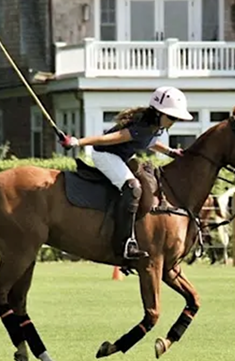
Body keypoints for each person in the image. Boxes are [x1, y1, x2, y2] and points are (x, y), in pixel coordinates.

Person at [59, 86, 193, 260]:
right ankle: (124, 243)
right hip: (105, 154)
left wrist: (170, 151)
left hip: (122, 156)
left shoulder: (154, 126)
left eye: (176, 118)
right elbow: (106, 139)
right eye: (172, 117)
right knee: (133, 187)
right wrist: (77, 142)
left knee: (148, 180)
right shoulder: (143, 126)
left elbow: (150, 141)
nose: (173, 122)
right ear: (158, 113)